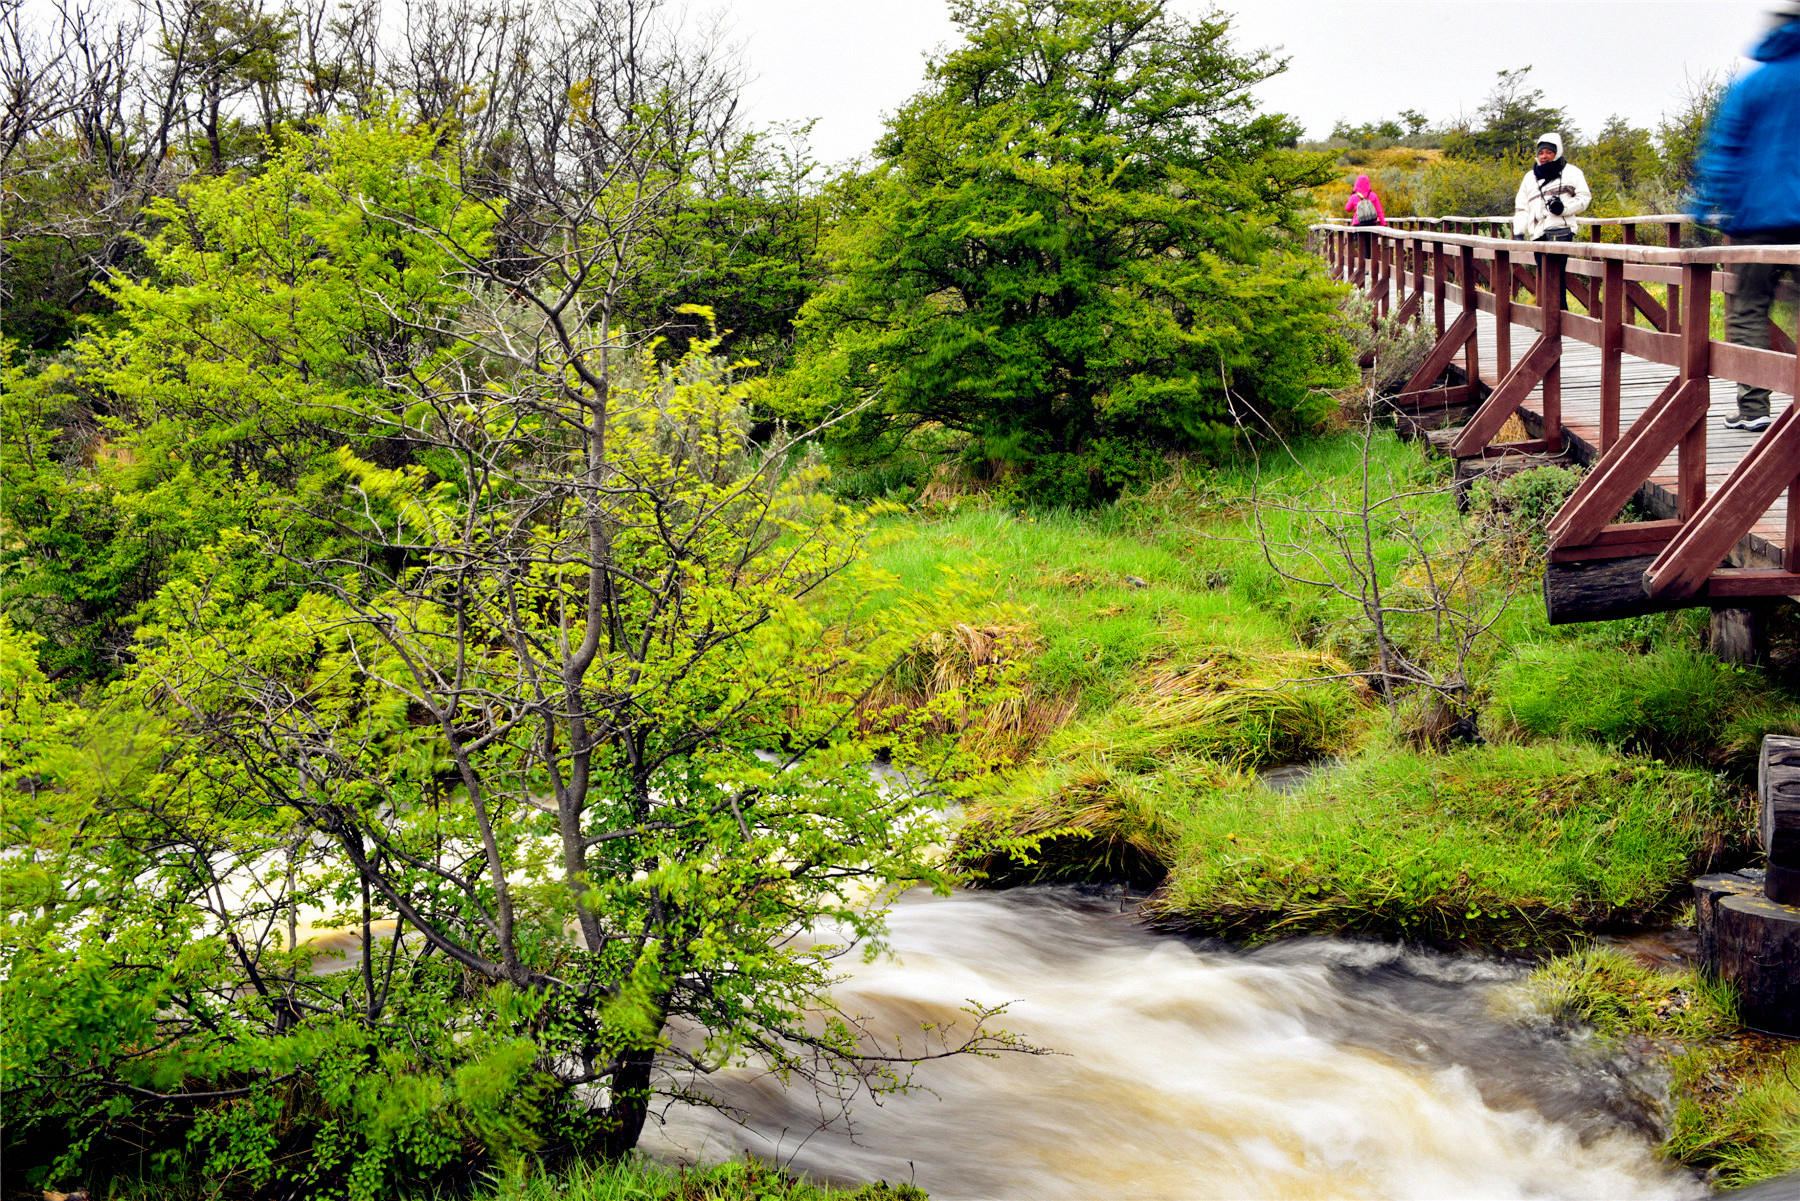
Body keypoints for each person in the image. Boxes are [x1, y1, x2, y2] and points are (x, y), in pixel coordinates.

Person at [1691, 0, 1800, 433]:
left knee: (1749, 307)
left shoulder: (1755, 84)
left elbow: (1725, 150)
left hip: (1757, 221)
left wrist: (1704, 208)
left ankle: (1755, 408)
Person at [1512, 132, 1591, 242]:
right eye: (1541, 153)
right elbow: (1522, 208)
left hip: (1561, 232)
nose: (1544, 156)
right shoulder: (1529, 177)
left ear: (1557, 153)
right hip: (1537, 234)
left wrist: (1564, 208)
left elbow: (1584, 198)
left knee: (1555, 260)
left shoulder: (1572, 172)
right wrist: (1519, 233)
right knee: (1539, 260)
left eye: (1549, 152)